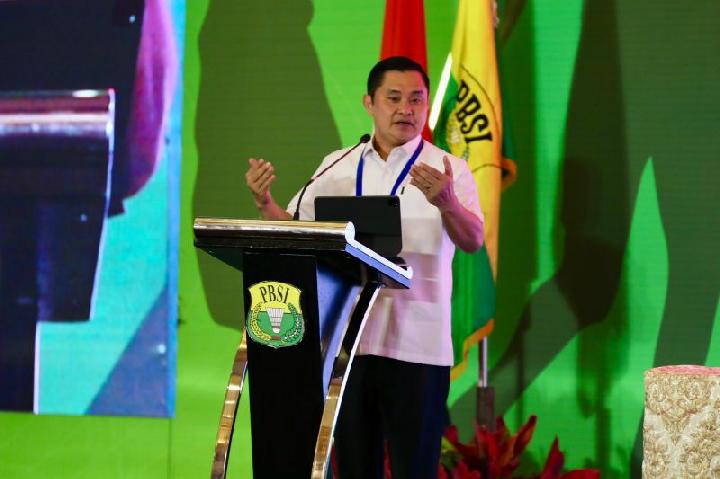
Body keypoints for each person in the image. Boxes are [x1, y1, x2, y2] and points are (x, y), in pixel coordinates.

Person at [245, 56, 485, 478]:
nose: (406, 109)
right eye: (393, 98)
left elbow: (473, 239)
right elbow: (298, 230)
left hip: (419, 348)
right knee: (354, 468)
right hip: (349, 345)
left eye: (416, 99)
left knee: (415, 469)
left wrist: (447, 203)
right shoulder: (337, 164)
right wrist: (266, 204)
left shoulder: (449, 169)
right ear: (369, 103)